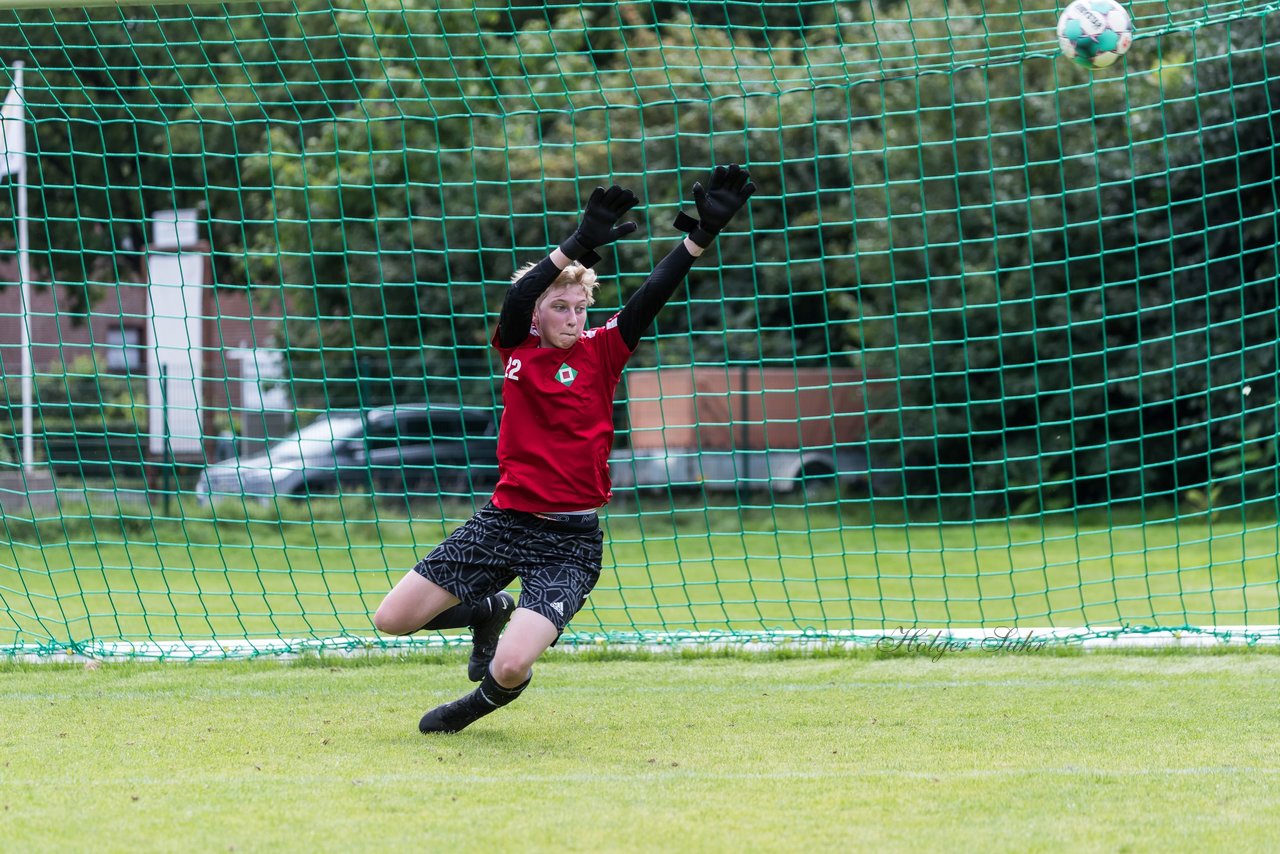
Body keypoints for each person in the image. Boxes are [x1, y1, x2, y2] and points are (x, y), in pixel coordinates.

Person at [372, 164, 756, 733]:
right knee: (392, 619)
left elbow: (654, 292)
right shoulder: (516, 348)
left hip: (569, 542)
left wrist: (700, 236)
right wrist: (576, 244)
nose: (574, 317)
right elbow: (519, 293)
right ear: (537, 313)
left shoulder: (604, 350)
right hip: (503, 522)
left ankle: (471, 708)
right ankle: (491, 610)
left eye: (579, 307)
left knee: (510, 664)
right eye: (560, 307)